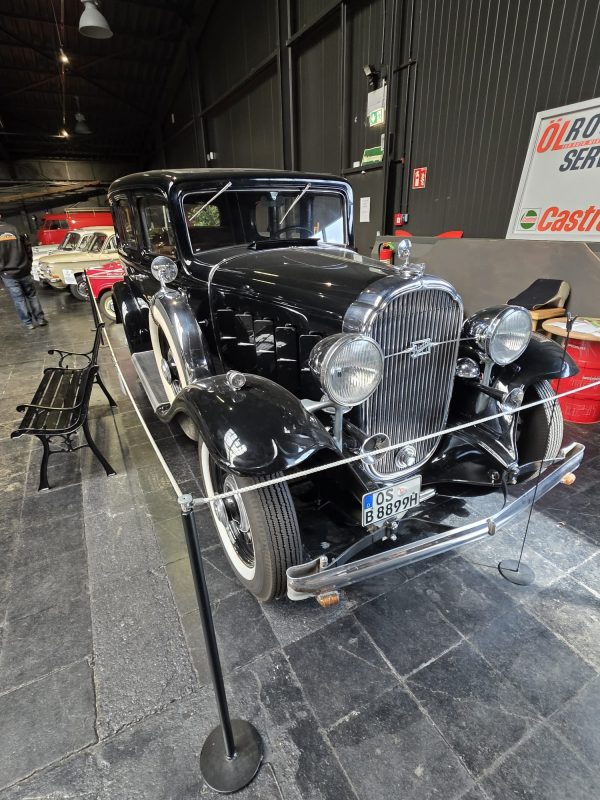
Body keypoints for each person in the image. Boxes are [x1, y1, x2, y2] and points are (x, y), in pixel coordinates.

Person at [0, 216, 48, 329]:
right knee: (32, 296)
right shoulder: (15, 229)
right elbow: (28, 248)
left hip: (8, 274)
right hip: (24, 270)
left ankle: (28, 323)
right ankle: (40, 319)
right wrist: (28, 264)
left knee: (19, 299)